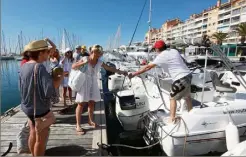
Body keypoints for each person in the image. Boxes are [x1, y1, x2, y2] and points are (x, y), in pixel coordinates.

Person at [129, 40, 192, 123]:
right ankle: (191, 113)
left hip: (180, 78)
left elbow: (148, 67)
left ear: (157, 49)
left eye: (155, 49)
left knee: (172, 98)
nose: (155, 51)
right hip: (188, 75)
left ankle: (171, 119)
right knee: (187, 96)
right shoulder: (174, 50)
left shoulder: (162, 55)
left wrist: (134, 74)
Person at [19, 39, 63, 156]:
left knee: (32, 132)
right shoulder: (40, 67)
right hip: (39, 109)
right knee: (40, 139)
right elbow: (49, 90)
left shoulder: (24, 66)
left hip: (27, 107)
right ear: (40, 53)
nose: (48, 54)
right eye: (46, 52)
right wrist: (60, 77)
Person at [72, 44, 128, 134]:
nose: (97, 55)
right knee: (81, 104)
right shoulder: (86, 59)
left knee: (91, 103)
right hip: (85, 82)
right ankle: (78, 125)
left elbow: (110, 69)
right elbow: (73, 66)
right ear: (92, 52)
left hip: (93, 82)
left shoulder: (100, 62)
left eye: (99, 53)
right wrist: (83, 63)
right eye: (96, 52)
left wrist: (121, 72)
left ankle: (90, 121)